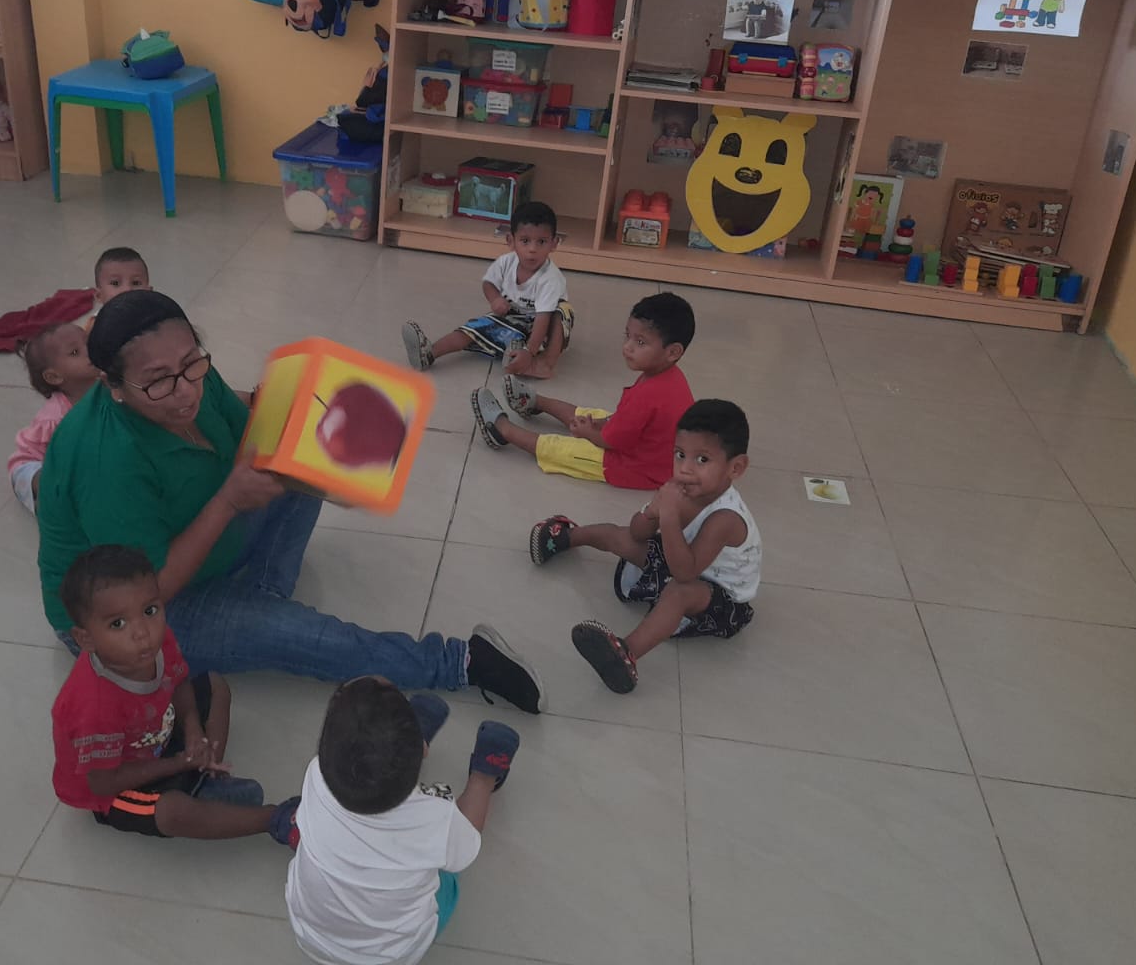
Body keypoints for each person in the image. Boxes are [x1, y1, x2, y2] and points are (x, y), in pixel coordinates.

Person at [35, 288, 545, 714]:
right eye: (158, 381)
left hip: (200, 539)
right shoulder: (104, 459)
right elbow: (150, 591)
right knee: (310, 637)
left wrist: (315, 435)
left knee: (300, 454)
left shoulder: (192, 378)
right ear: (113, 386)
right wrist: (228, 503)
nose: (185, 390)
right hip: (133, 616)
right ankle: (459, 662)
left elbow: (252, 441)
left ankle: (255, 609)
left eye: (191, 362)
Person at [50, 545, 301, 843]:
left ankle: (206, 775)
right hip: (116, 785)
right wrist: (178, 763)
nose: (142, 632)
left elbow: (179, 681)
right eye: (118, 624)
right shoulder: (93, 707)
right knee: (172, 812)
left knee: (216, 685)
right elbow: (103, 783)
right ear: (86, 639)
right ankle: (274, 819)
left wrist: (194, 731)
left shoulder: (157, 642)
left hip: (158, 737)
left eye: (149, 611)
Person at [530, 400, 760, 694]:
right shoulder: (680, 488)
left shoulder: (726, 518)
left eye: (702, 459)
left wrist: (670, 516)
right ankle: (567, 536)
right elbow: (638, 533)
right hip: (682, 558)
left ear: (736, 467)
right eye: (680, 454)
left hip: (719, 597)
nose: (685, 469)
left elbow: (685, 573)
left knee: (678, 593)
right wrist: (652, 512)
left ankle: (627, 653)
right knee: (620, 536)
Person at [286, 676, 520, 965]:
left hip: (312, 938)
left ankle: (403, 741)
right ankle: (485, 775)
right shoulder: (434, 819)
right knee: (448, 869)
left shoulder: (315, 774)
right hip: (393, 955)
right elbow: (464, 847)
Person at [468, 292, 696, 491]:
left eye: (641, 342)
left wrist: (589, 433)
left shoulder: (648, 395)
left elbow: (610, 442)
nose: (628, 347)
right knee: (593, 415)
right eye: (628, 335)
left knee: (563, 448)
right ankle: (535, 402)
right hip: (652, 451)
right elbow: (629, 421)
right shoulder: (669, 375)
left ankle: (502, 430)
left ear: (673, 352)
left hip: (634, 467)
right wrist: (601, 423)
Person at [402, 201, 573, 379]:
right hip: (509, 317)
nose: (532, 249)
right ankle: (429, 353)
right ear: (511, 241)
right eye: (525, 241)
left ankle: (543, 365)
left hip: (540, 328)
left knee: (563, 311)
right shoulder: (506, 262)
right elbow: (488, 283)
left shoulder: (550, 279)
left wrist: (530, 351)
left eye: (541, 242)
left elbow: (543, 319)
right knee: (471, 329)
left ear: (554, 244)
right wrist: (495, 299)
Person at [7, 322, 101, 514]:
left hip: (76, 463)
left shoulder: (108, 387)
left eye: (88, 342)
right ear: (54, 377)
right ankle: (47, 505)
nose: (89, 351)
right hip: (36, 464)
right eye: (75, 352)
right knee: (51, 484)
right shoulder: (56, 417)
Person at [85, 246, 149, 334]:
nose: (127, 289)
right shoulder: (95, 328)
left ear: (149, 292)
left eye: (136, 283)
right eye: (115, 283)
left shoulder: (159, 320)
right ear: (99, 296)